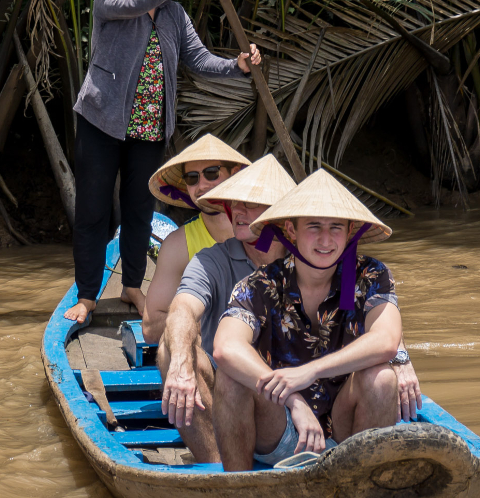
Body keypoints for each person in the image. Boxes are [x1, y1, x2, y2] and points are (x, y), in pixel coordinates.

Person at [160, 160, 422, 464]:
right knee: (232, 379)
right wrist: (294, 399)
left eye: (335, 228)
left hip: (344, 426)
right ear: (291, 230)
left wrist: (310, 371)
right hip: (281, 424)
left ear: (350, 232)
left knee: (381, 379)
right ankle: (237, 491)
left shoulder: (370, 275)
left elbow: (387, 339)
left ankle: (359, 485)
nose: (325, 240)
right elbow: (225, 347)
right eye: (313, 227)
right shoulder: (262, 282)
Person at [64, 0, 262, 324]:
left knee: (140, 210)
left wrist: (237, 67)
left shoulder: (173, 14)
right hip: (101, 122)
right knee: (93, 210)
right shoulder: (109, 1)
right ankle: (86, 297)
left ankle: (133, 287)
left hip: (150, 128)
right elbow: (139, 2)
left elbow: (199, 60)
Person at [155, 155, 295, 462]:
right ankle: (217, 466)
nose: (240, 212)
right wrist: (180, 365)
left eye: (252, 204)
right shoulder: (210, 260)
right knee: (171, 348)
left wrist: (400, 357)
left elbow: (364, 305)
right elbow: (181, 310)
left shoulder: (308, 259)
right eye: (236, 204)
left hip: (288, 406)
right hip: (227, 403)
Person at [142, 134, 251, 342]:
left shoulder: (264, 229)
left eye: (212, 173)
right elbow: (151, 327)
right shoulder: (177, 245)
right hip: (208, 352)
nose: (202, 185)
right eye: (192, 178)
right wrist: (224, 324)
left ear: (234, 174)